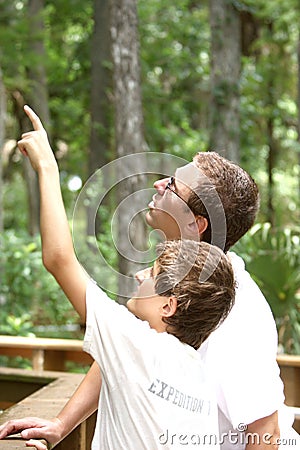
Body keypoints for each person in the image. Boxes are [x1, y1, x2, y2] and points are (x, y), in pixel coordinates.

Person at [0, 106, 298, 449]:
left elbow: (267, 432)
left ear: (196, 224)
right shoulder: (176, 289)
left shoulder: (237, 308)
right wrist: (61, 423)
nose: (158, 183)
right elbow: (117, 354)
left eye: (172, 185)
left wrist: (47, 166)